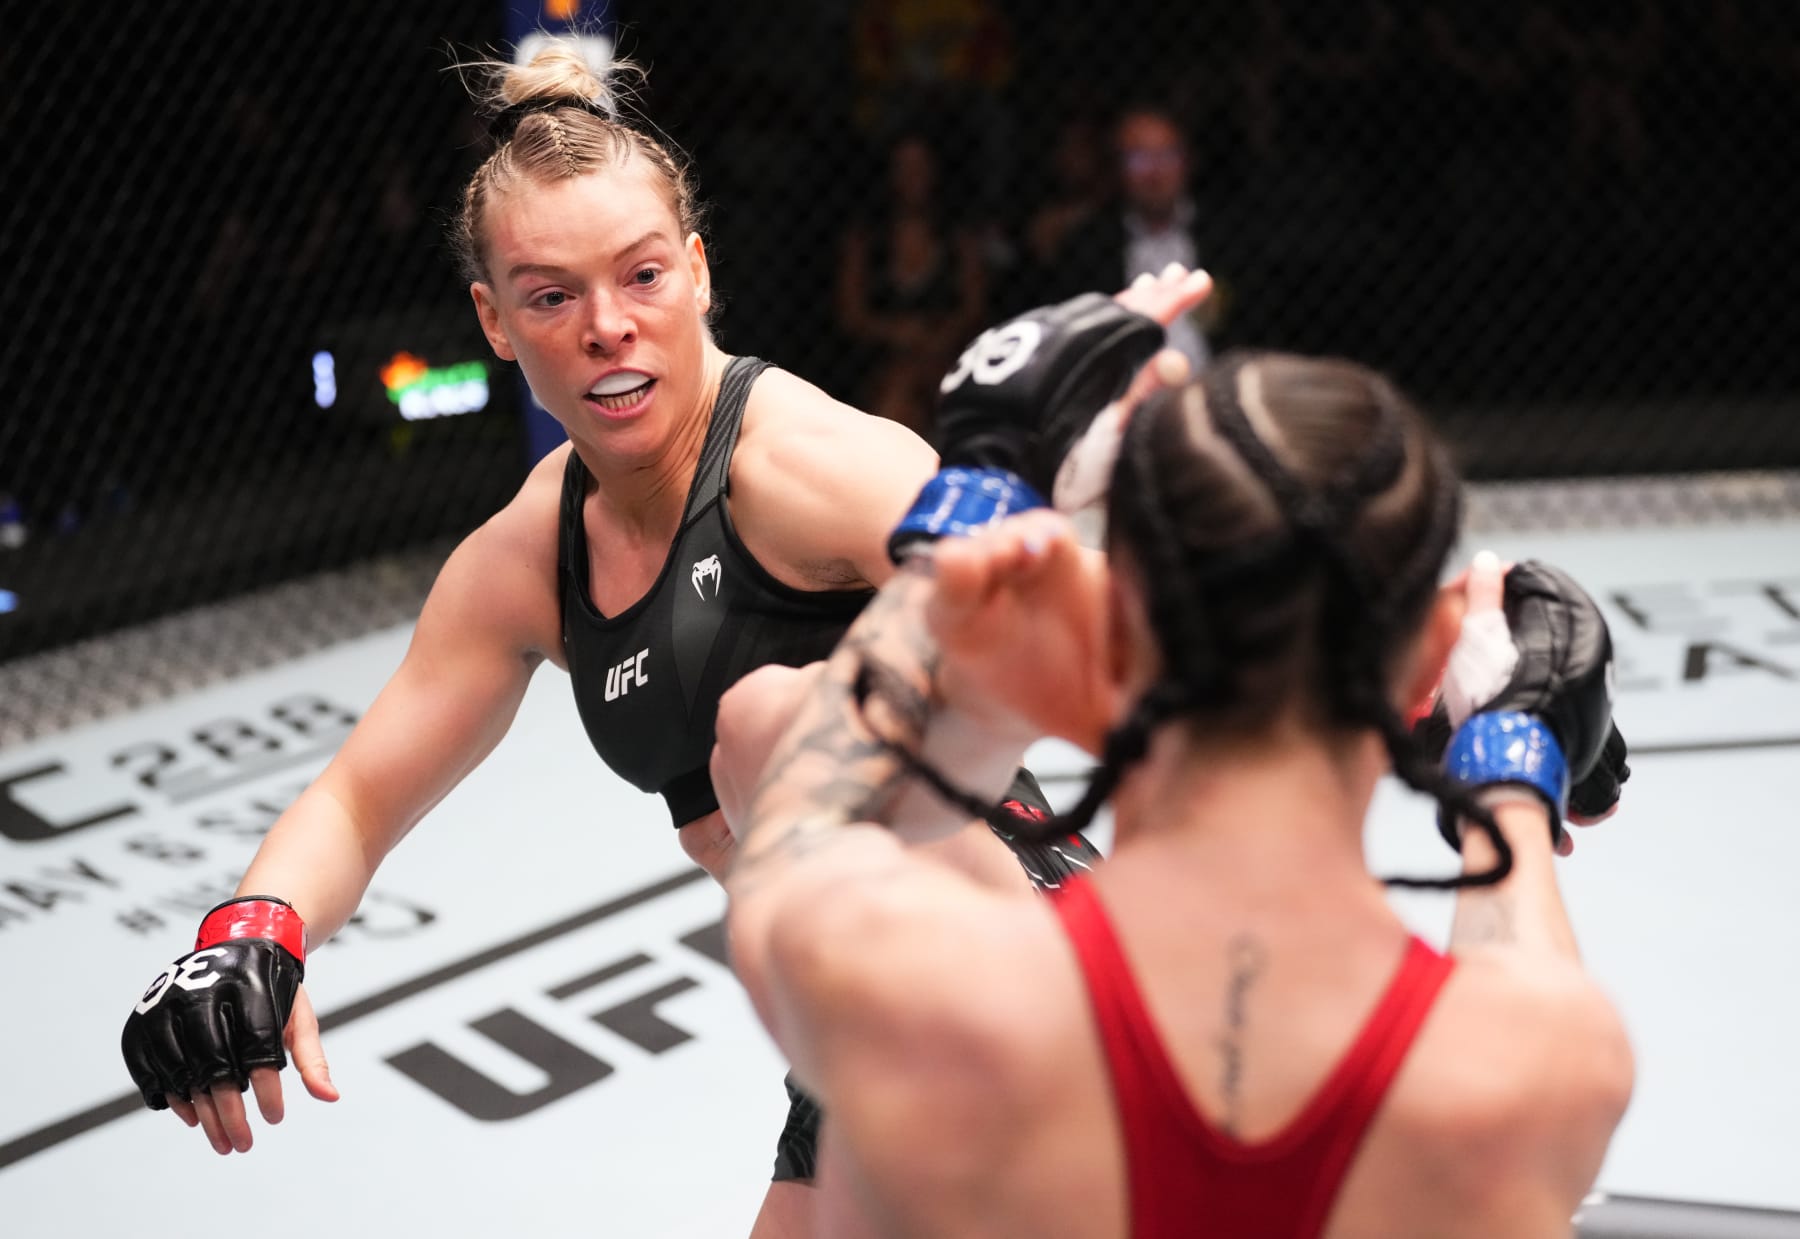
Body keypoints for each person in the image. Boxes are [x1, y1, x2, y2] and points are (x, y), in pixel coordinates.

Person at [115, 46, 1210, 1237]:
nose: (606, 329)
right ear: (492, 320)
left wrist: (1033, 499)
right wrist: (253, 933)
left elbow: (1089, 631)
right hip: (849, 1027)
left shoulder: (795, 462)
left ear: (697, 273)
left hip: (1009, 956)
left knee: (766, 730)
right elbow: (357, 798)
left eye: (640, 277)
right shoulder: (528, 555)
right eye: (550, 296)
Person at [713, 348, 1636, 1237]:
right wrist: (1510, 773)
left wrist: (981, 512)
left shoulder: (916, 999)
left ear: (1107, 623)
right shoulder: (1542, 1069)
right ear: (1432, 663)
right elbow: (1525, 968)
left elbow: (771, 742)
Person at [835, 131, 988, 438]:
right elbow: (851, 315)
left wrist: (941, 335)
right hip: (882, 360)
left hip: (947, 354)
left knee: (925, 386)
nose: (913, 178)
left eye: (920, 168)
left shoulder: (959, 237)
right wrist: (899, 333)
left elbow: (975, 308)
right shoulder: (866, 239)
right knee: (899, 390)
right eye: (904, 168)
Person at [1047, 106, 1217, 374]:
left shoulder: (1225, 234)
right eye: (1139, 159)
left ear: (1187, 162)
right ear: (1117, 169)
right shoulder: (1090, 245)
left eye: (1167, 155)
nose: (1155, 172)